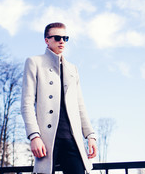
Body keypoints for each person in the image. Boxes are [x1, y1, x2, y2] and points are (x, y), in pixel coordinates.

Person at [21, 22, 97, 174]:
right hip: (47, 141)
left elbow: (80, 105)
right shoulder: (34, 62)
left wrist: (90, 135)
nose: (61, 41)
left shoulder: (72, 69)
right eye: (57, 37)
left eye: (65, 38)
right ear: (46, 40)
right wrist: (34, 136)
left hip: (72, 140)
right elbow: (26, 103)